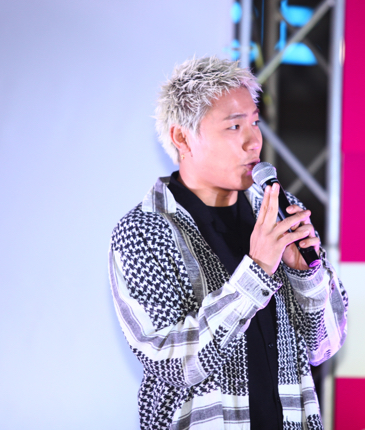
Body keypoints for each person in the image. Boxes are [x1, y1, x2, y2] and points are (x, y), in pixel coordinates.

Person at [108, 56, 348, 430]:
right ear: (182, 138)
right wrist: (256, 272)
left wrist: (308, 277)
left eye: (254, 122)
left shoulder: (278, 211)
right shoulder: (144, 231)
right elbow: (172, 362)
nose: (254, 141)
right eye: (234, 126)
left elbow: (325, 346)